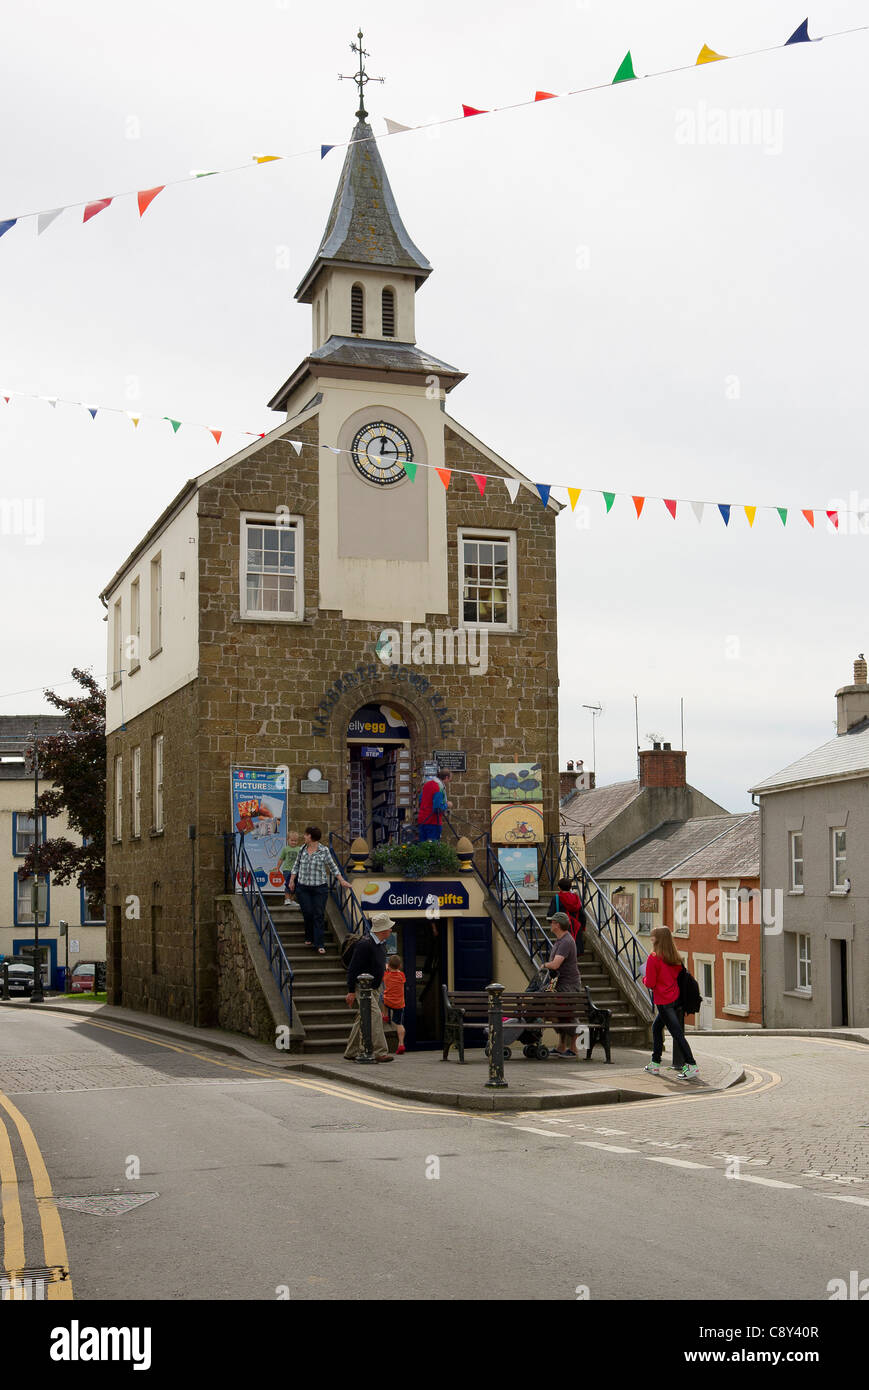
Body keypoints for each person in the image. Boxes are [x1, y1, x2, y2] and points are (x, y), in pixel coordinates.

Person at [642, 926, 699, 1079]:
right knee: (656, 1028)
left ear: (658, 939)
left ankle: (691, 1065)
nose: (651, 938)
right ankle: (655, 1063)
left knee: (677, 1034)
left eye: (653, 936)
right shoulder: (675, 958)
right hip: (674, 997)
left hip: (663, 1000)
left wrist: (644, 978)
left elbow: (650, 983)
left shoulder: (653, 958)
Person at [288, 826, 352, 955]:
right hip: (303, 887)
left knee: (318, 914)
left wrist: (341, 880)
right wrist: (291, 880)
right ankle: (309, 936)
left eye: (306, 835)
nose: (304, 837)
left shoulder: (324, 850)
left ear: (310, 837)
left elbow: (333, 867)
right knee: (307, 912)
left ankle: (319, 943)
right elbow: (296, 865)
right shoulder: (302, 849)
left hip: (319, 888)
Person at [344, 912, 396, 1062]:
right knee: (374, 1015)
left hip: (374, 987)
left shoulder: (381, 944)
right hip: (362, 987)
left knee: (362, 1017)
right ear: (382, 930)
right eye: (389, 928)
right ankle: (380, 1051)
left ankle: (351, 1051)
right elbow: (353, 969)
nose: (391, 930)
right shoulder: (364, 945)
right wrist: (351, 991)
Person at [541, 912, 582, 1058]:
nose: (550, 924)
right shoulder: (560, 940)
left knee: (567, 1014)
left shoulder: (565, 941)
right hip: (561, 983)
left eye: (552, 922)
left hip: (568, 984)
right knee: (558, 1014)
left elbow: (556, 964)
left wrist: (544, 965)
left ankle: (573, 1048)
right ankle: (561, 1046)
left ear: (558, 924)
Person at [546, 877, 585, 953]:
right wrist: (582, 927)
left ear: (559, 888)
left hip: (563, 928)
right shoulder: (576, 898)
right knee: (574, 953)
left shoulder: (557, 898)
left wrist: (552, 924)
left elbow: (551, 914)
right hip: (576, 928)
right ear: (570, 887)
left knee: (563, 952)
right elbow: (582, 915)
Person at [382, 954, 407, 1054]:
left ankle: (385, 1015)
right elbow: (398, 972)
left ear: (389, 965)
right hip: (399, 1004)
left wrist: (387, 966)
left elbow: (385, 968)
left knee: (382, 998)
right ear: (400, 966)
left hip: (388, 1001)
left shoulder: (386, 975)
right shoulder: (402, 976)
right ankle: (401, 1044)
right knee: (399, 1024)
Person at [417, 769, 451, 842]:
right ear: (446, 778)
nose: (448, 782)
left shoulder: (427, 784)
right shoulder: (439, 787)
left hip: (422, 820)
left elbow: (420, 800)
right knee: (432, 848)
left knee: (422, 848)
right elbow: (437, 808)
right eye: (449, 780)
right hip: (433, 822)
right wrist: (446, 805)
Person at [278, 830, 301, 905]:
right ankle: (287, 899)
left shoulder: (299, 849)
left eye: (295, 841)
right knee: (289, 884)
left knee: (295, 886)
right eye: (292, 840)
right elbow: (281, 859)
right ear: (287, 840)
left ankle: (292, 900)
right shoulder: (285, 849)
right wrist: (277, 867)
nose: (294, 842)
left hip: (297, 871)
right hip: (287, 870)